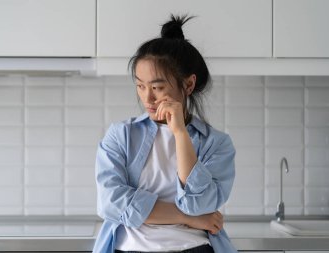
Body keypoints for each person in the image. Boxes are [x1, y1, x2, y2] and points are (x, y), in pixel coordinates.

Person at [93, 15, 237, 253]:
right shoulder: (120, 135)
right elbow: (111, 203)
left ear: (188, 85)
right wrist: (190, 219)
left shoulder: (216, 144)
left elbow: (199, 204)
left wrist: (180, 134)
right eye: (140, 86)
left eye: (157, 88)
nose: (147, 98)